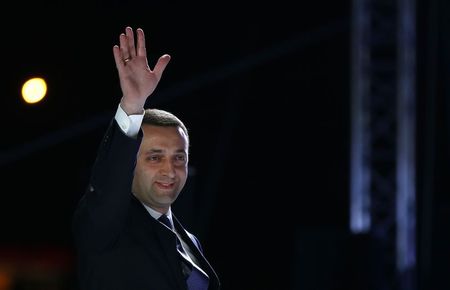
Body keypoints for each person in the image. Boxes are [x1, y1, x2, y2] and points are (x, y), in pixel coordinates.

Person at [72, 26, 221, 290]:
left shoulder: (189, 241)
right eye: (154, 158)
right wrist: (132, 106)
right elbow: (108, 186)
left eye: (179, 158)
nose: (170, 170)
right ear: (129, 164)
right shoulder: (106, 228)